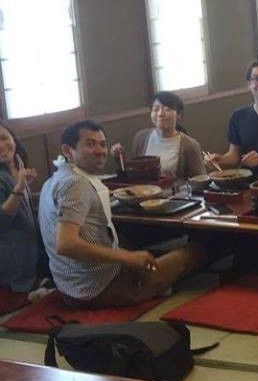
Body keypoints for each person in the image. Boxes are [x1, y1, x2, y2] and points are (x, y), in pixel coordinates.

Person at [38, 121, 207, 309]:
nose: (100, 150)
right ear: (68, 151)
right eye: (90, 144)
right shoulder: (75, 185)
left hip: (69, 286)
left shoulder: (55, 179)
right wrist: (126, 257)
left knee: (156, 251)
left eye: (102, 144)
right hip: (99, 287)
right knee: (195, 251)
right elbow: (66, 244)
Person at [109, 91, 205, 181]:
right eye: (156, 109)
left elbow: (200, 181)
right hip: (143, 194)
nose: (160, 114)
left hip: (173, 197)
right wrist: (120, 157)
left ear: (179, 114)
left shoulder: (190, 145)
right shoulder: (141, 137)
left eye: (167, 109)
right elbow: (132, 172)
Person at [0, 121, 39, 293]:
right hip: (13, 260)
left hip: (31, 251)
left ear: (12, 138)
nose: (1, 145)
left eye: (3, 138)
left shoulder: (17, 166)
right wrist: (19, 189)